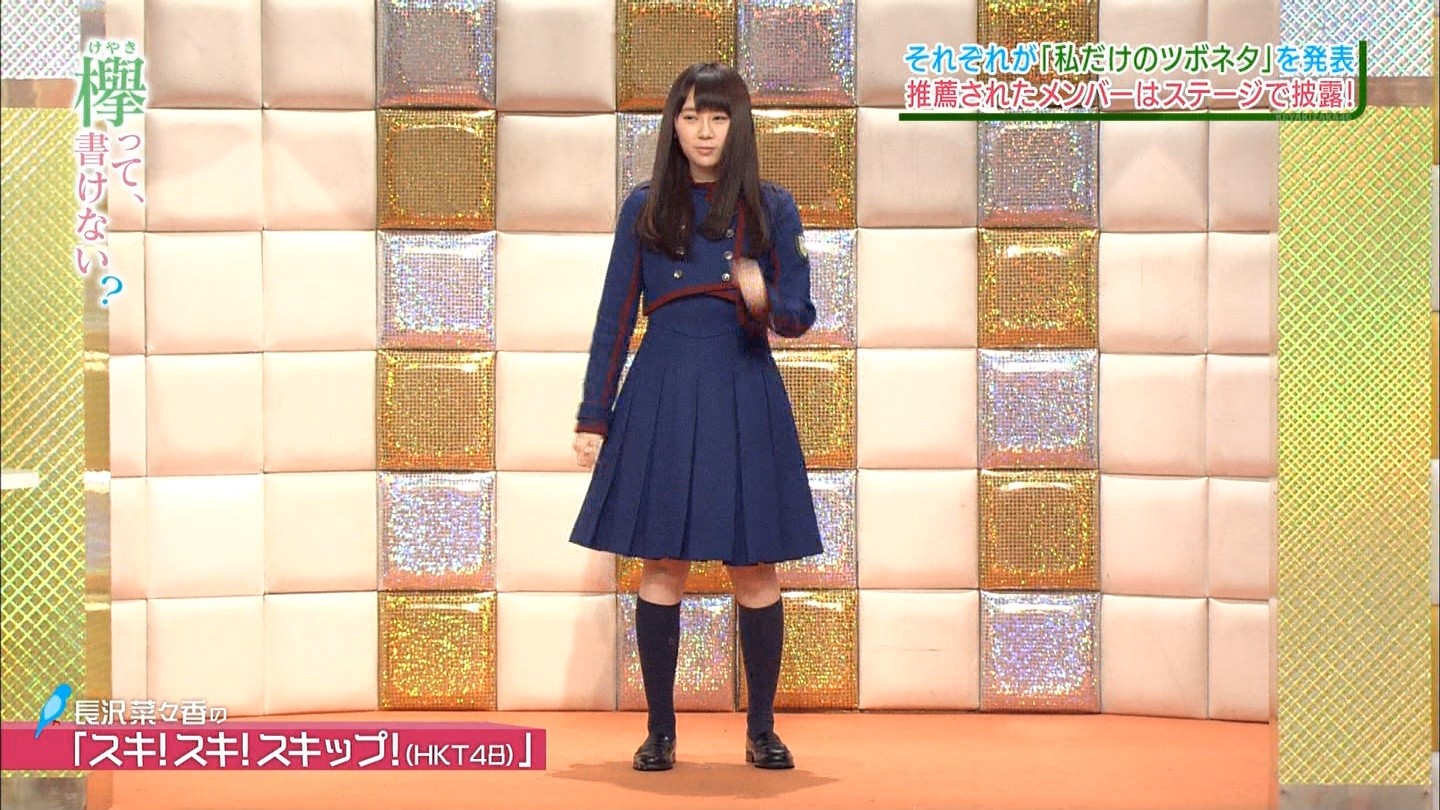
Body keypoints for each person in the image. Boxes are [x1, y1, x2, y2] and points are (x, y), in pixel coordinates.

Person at [569, 62, 824, 772]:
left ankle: (762, 729)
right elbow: (614, 319)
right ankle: (660, 731)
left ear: (737, 124)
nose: (704, 131)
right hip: (663, 389)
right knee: (662, 563)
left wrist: (760, 293)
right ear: (672, 126)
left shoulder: (771, 208)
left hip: (743, 386)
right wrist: (593, 416)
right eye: (689, 117)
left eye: (717, 116)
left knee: (754, 566)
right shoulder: (645, 207)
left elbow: (800, 314)